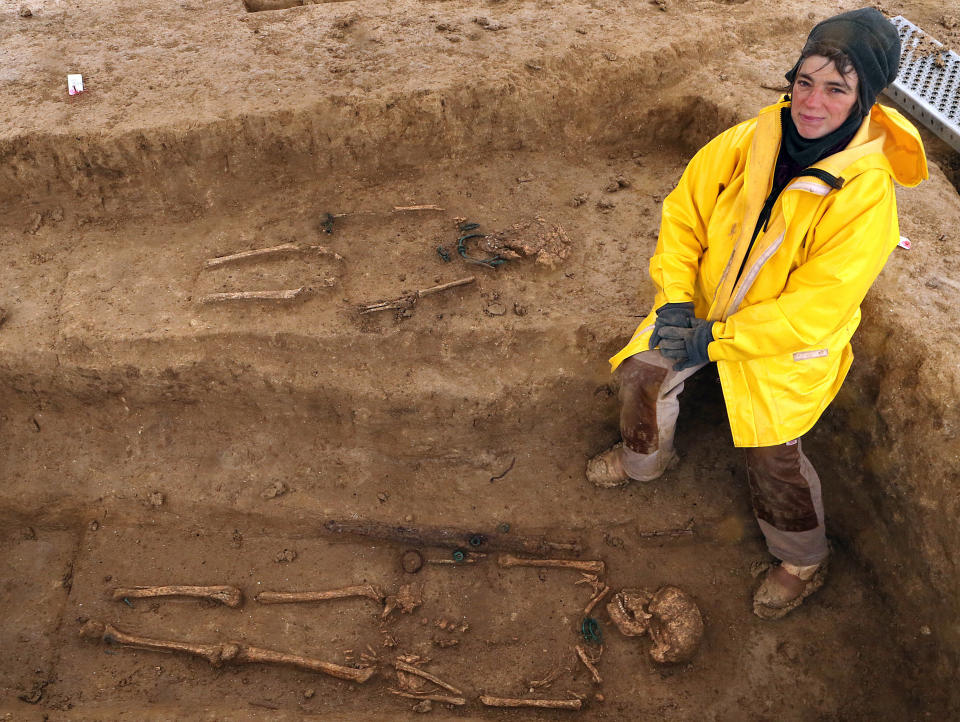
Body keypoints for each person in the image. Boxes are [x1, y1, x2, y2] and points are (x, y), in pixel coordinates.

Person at [586, 8, 928, 619]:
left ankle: (802, 560)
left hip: (783, 347)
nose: (812, 102)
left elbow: (816, 309)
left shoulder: (867, 195)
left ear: (865, 98)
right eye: (804, 80)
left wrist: (715, 341)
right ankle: (646, 461)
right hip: (699, 310)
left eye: (836, 88)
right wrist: (673, 299)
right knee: (643, 372)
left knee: (774, 454)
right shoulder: (752, 138)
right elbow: (684, 214)